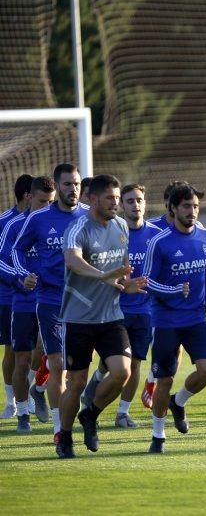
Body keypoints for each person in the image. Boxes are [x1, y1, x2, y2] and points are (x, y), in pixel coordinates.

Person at [55, 175, 147, 458]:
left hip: (111, 316)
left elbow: (120, 272)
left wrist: (126, 285)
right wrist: (103, 276)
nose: (116, 203)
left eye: (118, 198)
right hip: (79, 318)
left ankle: (91, 414)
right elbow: (73, 260)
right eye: (110, 198)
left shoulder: (121, 227)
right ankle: (65, 437)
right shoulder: (78, 228)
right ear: (92, 199)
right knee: (77, 382)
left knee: (122, 372)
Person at [13, 163, 87, 442]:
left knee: (79, 373)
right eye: (68, 184)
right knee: (58, 366)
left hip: (85, 302)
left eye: (77, 184)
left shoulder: (89, 218)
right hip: (50, 299)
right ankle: (60, 430)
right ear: (58, 186)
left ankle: (42, 393)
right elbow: (17, 250)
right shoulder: (39, 219)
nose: (73, 189)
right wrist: (24, 274)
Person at [141, 183, 206, 454]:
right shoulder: (159, 242)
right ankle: (158, 435)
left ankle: (179, 402)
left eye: (195, 206)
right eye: (186, 206)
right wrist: (173, 290)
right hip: (165, 322)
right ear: (173, 209)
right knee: (164, 380)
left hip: (196, 319)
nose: (192, 211)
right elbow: (147, 282)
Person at [0, 176, 55, 431]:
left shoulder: (58, 224)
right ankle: (21, 412)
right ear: (29, 197)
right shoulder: (13, 226)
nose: (47, 207)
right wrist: (20, 278)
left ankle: (39, 391)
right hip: (21, 302)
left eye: (51, 202)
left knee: (51, 356)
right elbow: (2, 261)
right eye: (43, 201)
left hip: (51, 301)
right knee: (20, 358)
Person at [114, 184, 162, 427]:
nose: (135, 205)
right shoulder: (113, 233)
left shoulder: (156, 235)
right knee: (109, 364)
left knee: (134, 364)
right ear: (122, 205)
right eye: (130, 201)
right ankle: (91, 397)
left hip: (144, 311)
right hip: (115, 310)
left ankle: (122, 413)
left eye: (139, 200)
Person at [0, 174, 31, 419]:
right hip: (9, 297)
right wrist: (18, 280)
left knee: (41, 349)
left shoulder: (42, 220)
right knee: (13, 350)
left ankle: (31, 392)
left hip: (40, 298)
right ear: (27, 195)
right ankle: (11, 401)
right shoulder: (5, 223)